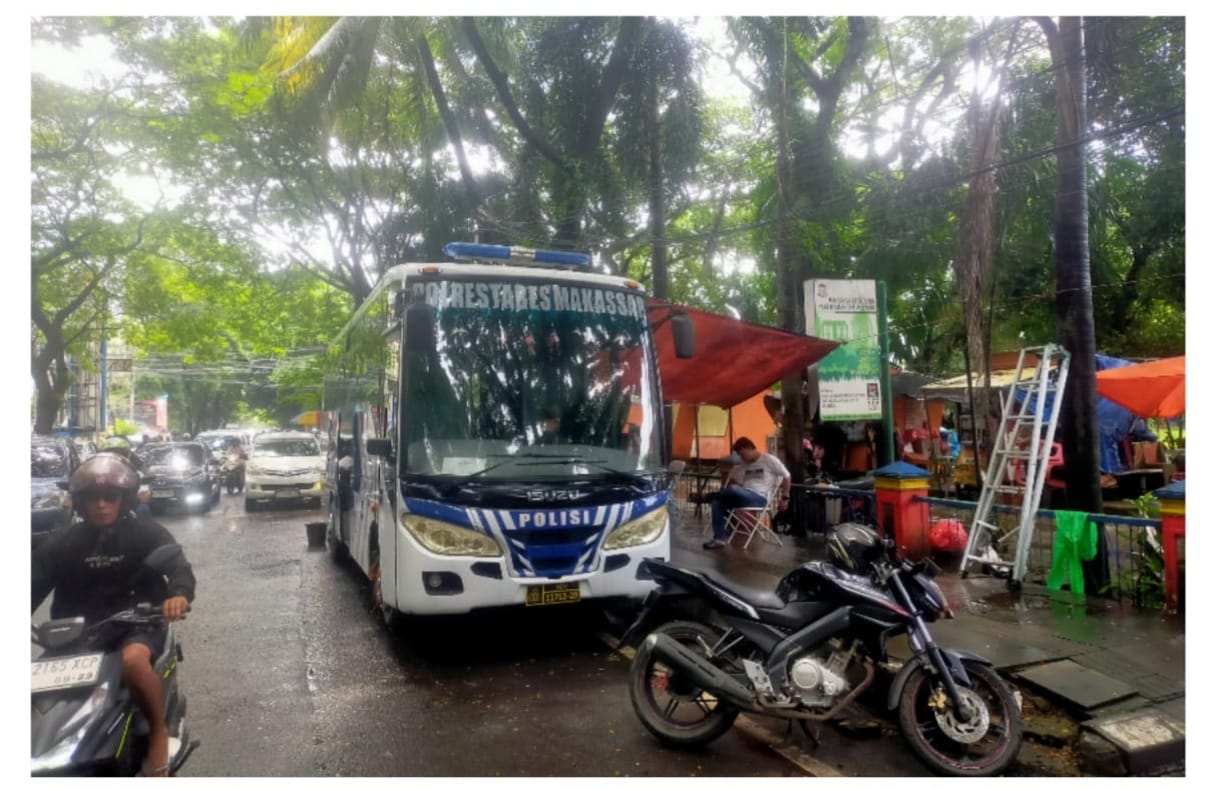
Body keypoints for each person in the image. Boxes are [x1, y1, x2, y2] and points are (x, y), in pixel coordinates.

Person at [32, 454, 196, 777]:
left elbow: (178, 567)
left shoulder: (146, 533)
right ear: (80, 502)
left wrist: (178, 595)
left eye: (110, 497)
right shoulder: (62, 543)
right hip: (77, 631)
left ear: (124, 499)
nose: (101, 504)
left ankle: (158, 733)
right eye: (93, 498)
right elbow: (31, 582)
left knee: (133, 661)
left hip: (136, 623)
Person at [702, 436, 791, 550]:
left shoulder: (769, 460)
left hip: (759, 498)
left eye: (742, 453)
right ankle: (719, 539)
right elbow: (737, 481)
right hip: (742, 496)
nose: (741, 457)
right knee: (717, 502)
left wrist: (785, 497)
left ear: (749, 448)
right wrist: (731, 479)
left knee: (732, 489)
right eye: (739, 455)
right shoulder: (744, 465)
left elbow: (787, 476)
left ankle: (708, 496)